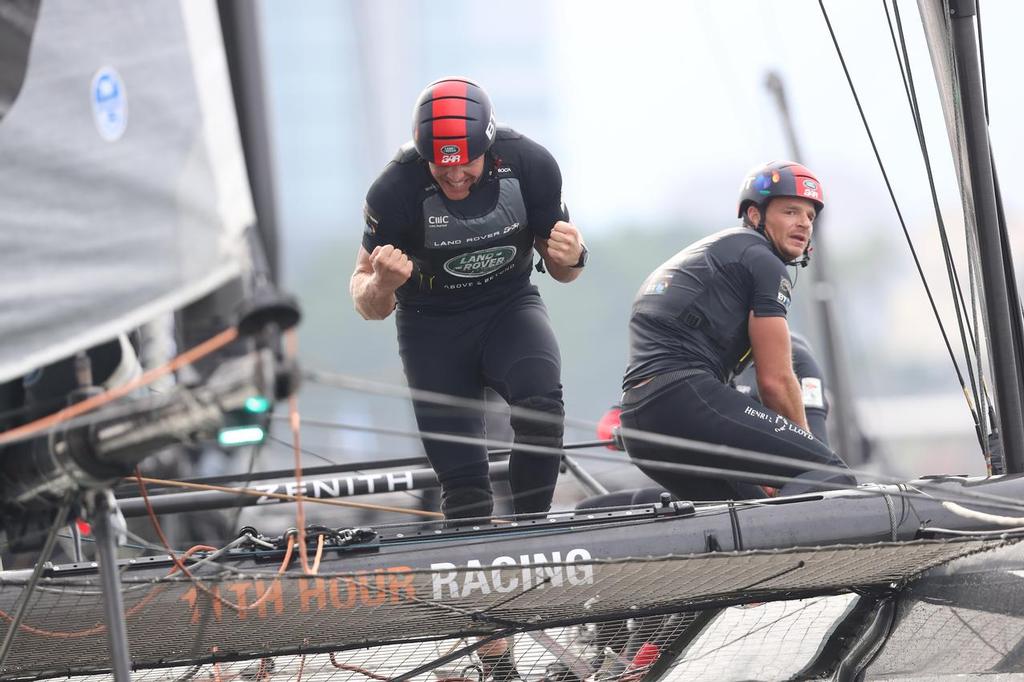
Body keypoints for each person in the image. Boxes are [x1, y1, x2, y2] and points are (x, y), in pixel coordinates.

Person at [350, 77, 587, 521]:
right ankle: (470, 561)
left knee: (541, 406)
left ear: (490, 147)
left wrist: (574, 257)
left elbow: (563, 272)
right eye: (441, 167)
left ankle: (534, 526)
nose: (456, 176)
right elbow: (367, 302)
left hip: (509, 308)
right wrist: (381, 284)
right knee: (464, 491)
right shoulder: (394, 190)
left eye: (467, 165)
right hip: (431, 327)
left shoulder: (531, 165)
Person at [616, 161, 856, 500]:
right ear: (755, 215)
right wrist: (803, 453)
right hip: (685, 399)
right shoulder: (763, 261)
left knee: (748, 509)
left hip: (639, 421)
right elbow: (775, 380)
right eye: (790, 211)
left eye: (810, 216)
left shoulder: (724, 252)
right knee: (832, 478)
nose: (803, 222)